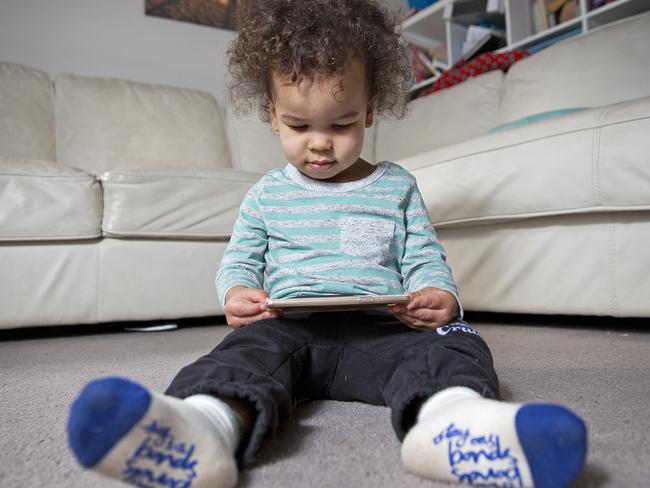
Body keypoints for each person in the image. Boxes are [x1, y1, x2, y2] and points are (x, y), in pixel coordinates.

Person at [66, 1, 587, 487]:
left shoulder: (396, 184)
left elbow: (424, 254)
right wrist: (238, 292)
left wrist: (436, 293)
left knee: (457, 339)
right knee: (243, 354)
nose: (319, 142)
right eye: (297, 125)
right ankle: (206, 427)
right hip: (291, 329)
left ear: (368, 109)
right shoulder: (267, 193)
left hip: (384, 329)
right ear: (271, 113)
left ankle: (453, 424)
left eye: (340, 124)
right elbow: (240, 260)